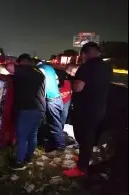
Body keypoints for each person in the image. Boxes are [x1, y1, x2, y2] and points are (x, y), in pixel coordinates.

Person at [63, 42, 112, 177]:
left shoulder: (86, 66)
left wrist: (71, 81)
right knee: (89, 136)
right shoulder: (106, 67)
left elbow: (78, 87)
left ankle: (81, 168)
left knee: (83, 136)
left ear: (84, 54)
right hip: (100, 108)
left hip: (86, 109)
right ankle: (84, 159)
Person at [6, 54, 46, 170]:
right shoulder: (39, 72)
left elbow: (9, 67)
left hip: (28, 109)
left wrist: (12, 62)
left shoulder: (25, 70)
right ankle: (28, 158)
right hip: (40, 109)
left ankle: (19, 162)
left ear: (22, 62)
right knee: (32, 135)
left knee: (22, 136)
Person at [36, 60, 66, 157]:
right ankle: (54, 144)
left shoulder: (39, 70)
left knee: (54, 125)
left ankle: (60, 148)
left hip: (51, 100)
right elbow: (57, 82)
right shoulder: (50, 68)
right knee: (57, 123)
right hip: (58, 98)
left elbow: (42, 86)